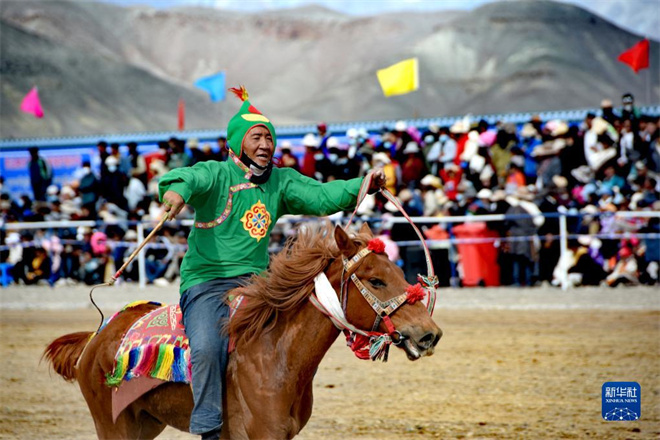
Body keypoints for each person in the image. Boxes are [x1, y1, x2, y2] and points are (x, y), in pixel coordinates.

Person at [159, 86, 385, 440]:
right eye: (257, 137)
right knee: (205, 346)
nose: (266, 144)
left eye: (269, 137)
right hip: (206, 282)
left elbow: (322, 196)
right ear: (237, 142)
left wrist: (364, 183)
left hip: (257, 282)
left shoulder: (281, 181)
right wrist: (175, 192)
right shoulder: (216, 173)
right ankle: (208, 425)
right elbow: (188, 177)